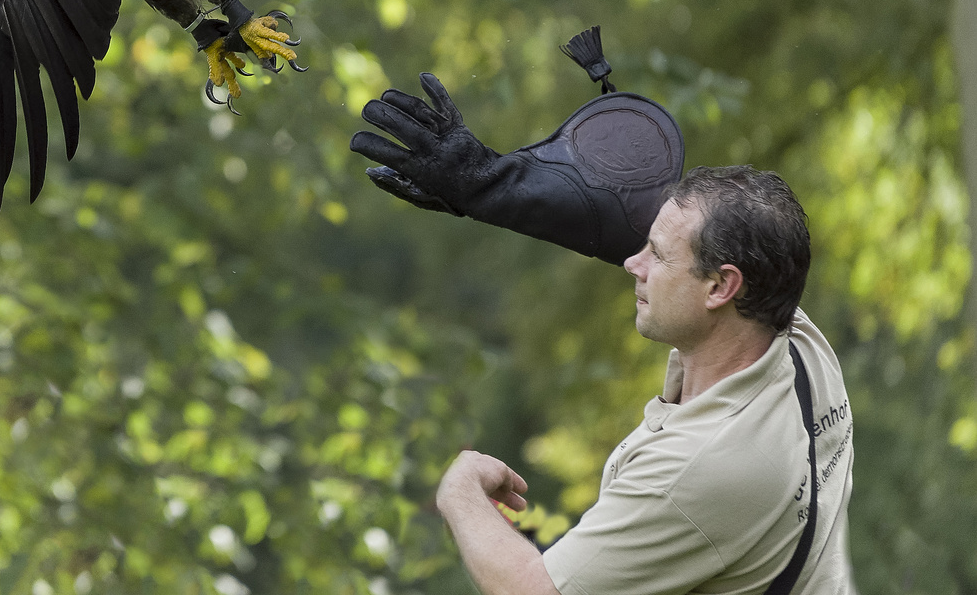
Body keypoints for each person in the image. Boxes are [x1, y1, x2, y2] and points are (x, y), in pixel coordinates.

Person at [349, 33, 855, 595]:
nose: (632, 262)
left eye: (657, 255)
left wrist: (460, 493)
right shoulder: (800, 350)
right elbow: (712, 248)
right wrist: (492, 187)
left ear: (720, 286)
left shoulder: (700, 471)